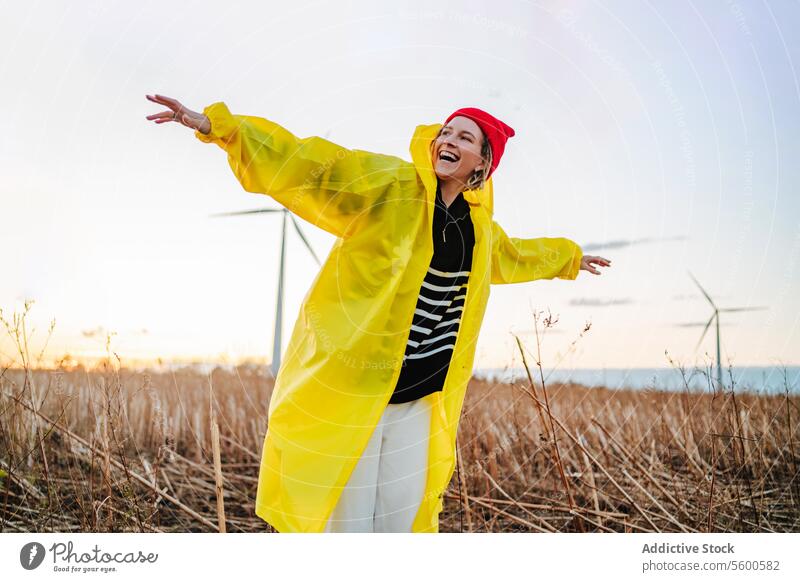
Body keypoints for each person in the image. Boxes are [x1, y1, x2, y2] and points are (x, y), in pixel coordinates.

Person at [145, 94, 612, 532]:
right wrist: (219, 128)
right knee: (348, 525)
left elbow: (513, 256)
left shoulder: (480, 229)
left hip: (421, 396)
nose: (448, 141)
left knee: (399, 524)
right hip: (358, 387)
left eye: (464, 138)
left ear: (482, 163)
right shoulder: (390, 185)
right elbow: (315, 165)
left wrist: (570, 258)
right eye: (446, 133)